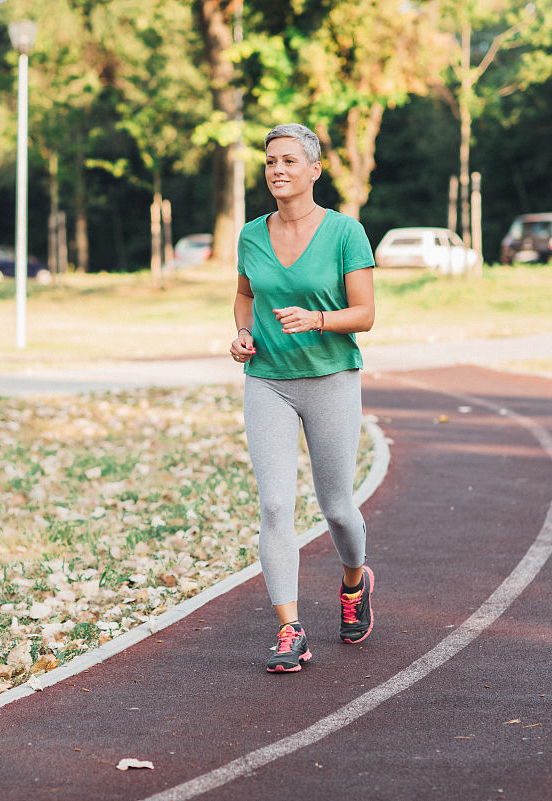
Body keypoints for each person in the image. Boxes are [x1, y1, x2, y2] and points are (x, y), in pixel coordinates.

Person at [230, 123, 377, 673]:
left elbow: (365, 314)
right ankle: (290, 628)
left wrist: (317, 319)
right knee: (273, 505)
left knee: (337, 507)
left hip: (331, 379)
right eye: (270, 161)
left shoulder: (345, 233)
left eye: (289, 161)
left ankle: (354, 580)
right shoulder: (250, 235)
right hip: (267, 380)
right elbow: (245, 297)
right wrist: (244, 335)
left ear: (314, 170)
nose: (277, 170)